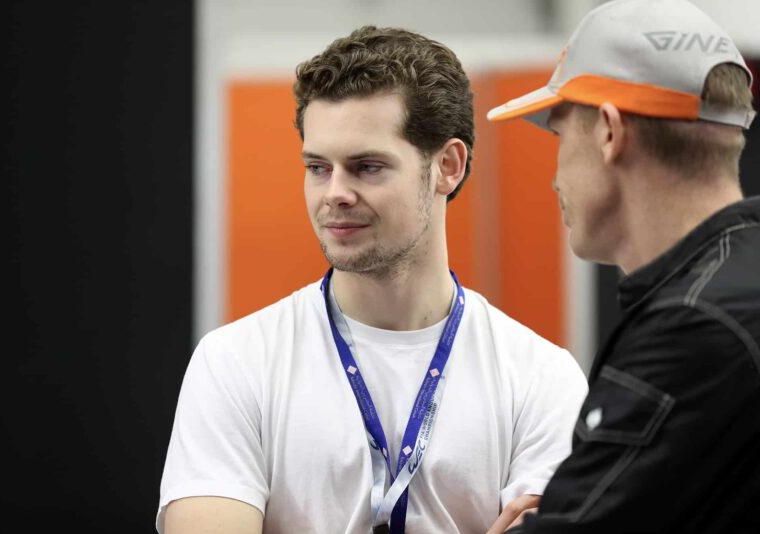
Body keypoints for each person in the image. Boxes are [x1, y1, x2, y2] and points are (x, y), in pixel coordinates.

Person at [158, 26, 587, 534]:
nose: (334, 193)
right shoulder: (235, 362)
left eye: (366, 167)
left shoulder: (541, 378)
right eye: (318, 167)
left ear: (446, 167)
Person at [486, 0, 760, 532]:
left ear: (609, 132)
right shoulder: (735, 289)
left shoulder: (693, 328)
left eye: (561, 137)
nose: (555, 179)